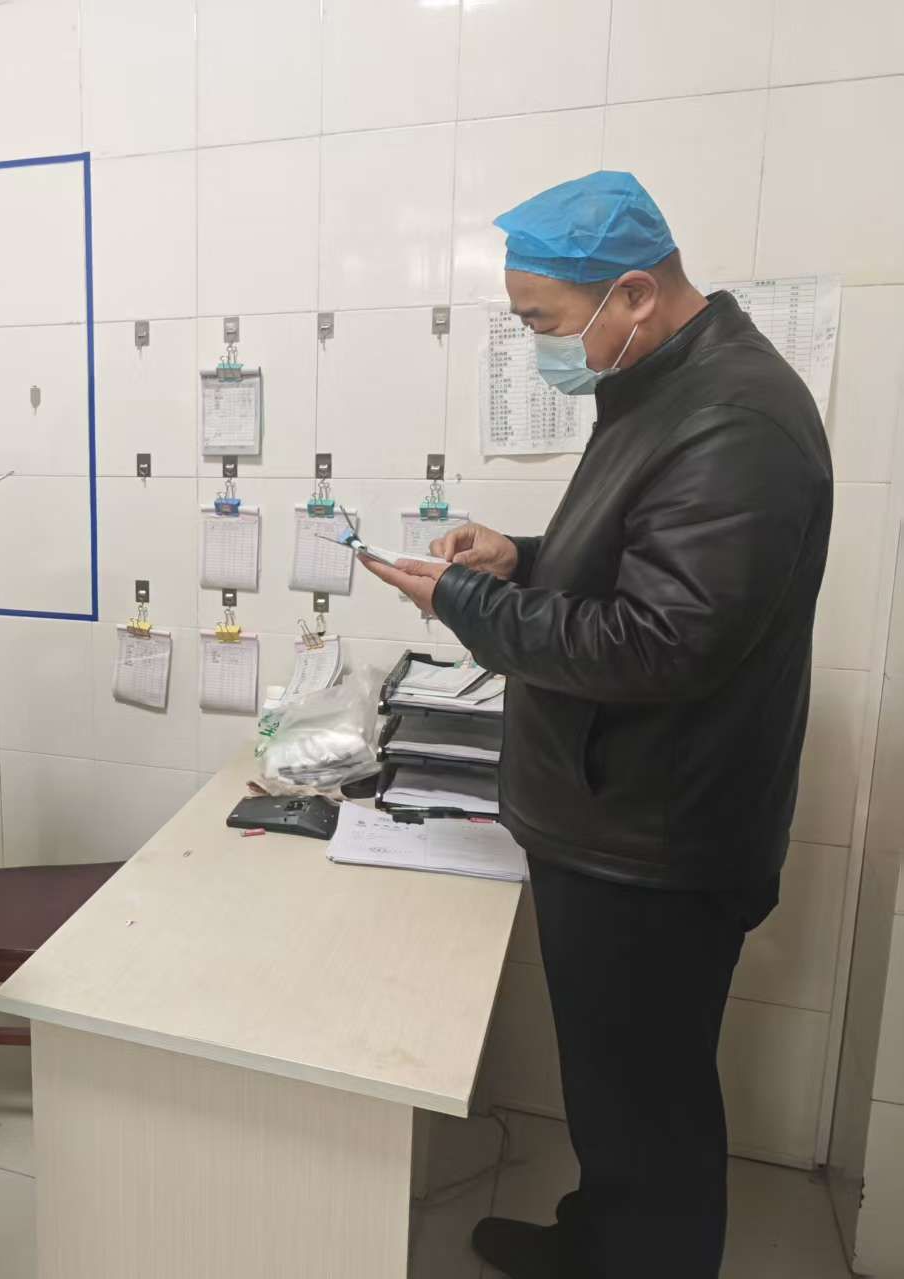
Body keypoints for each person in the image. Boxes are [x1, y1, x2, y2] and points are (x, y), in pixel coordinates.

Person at [360, 172, 832, 1278]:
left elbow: (658, 643)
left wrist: (465, 605)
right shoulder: (663, 387)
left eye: (542, 321)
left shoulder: (733, 418)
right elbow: (641, 564)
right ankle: (595, 1245)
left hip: (656, 839)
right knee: (615, 1093)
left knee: (649, 1106)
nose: (536, 346)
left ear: (632, 295)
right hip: (616, 818)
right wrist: (518, 558)